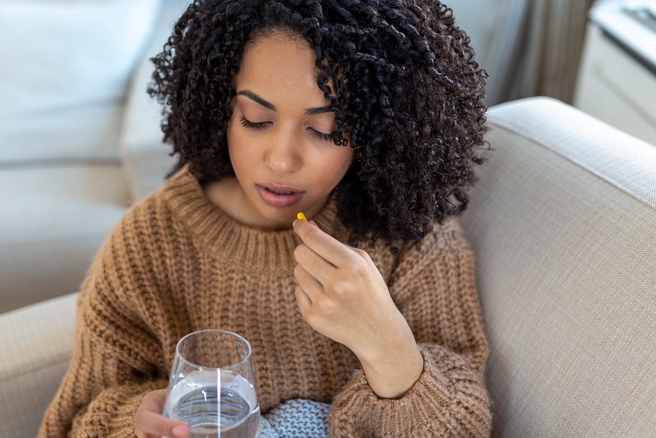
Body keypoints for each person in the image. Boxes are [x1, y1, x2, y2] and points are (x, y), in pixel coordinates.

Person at [39, 0, 491, 436]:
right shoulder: (148, 244)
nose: (280, 160)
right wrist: (135, 425)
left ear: (376, 131)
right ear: (221, 108)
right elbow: (76, 419)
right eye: (256, 119)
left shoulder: (407, 237)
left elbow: (464, 426)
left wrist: (387, 344)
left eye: (324, 130)